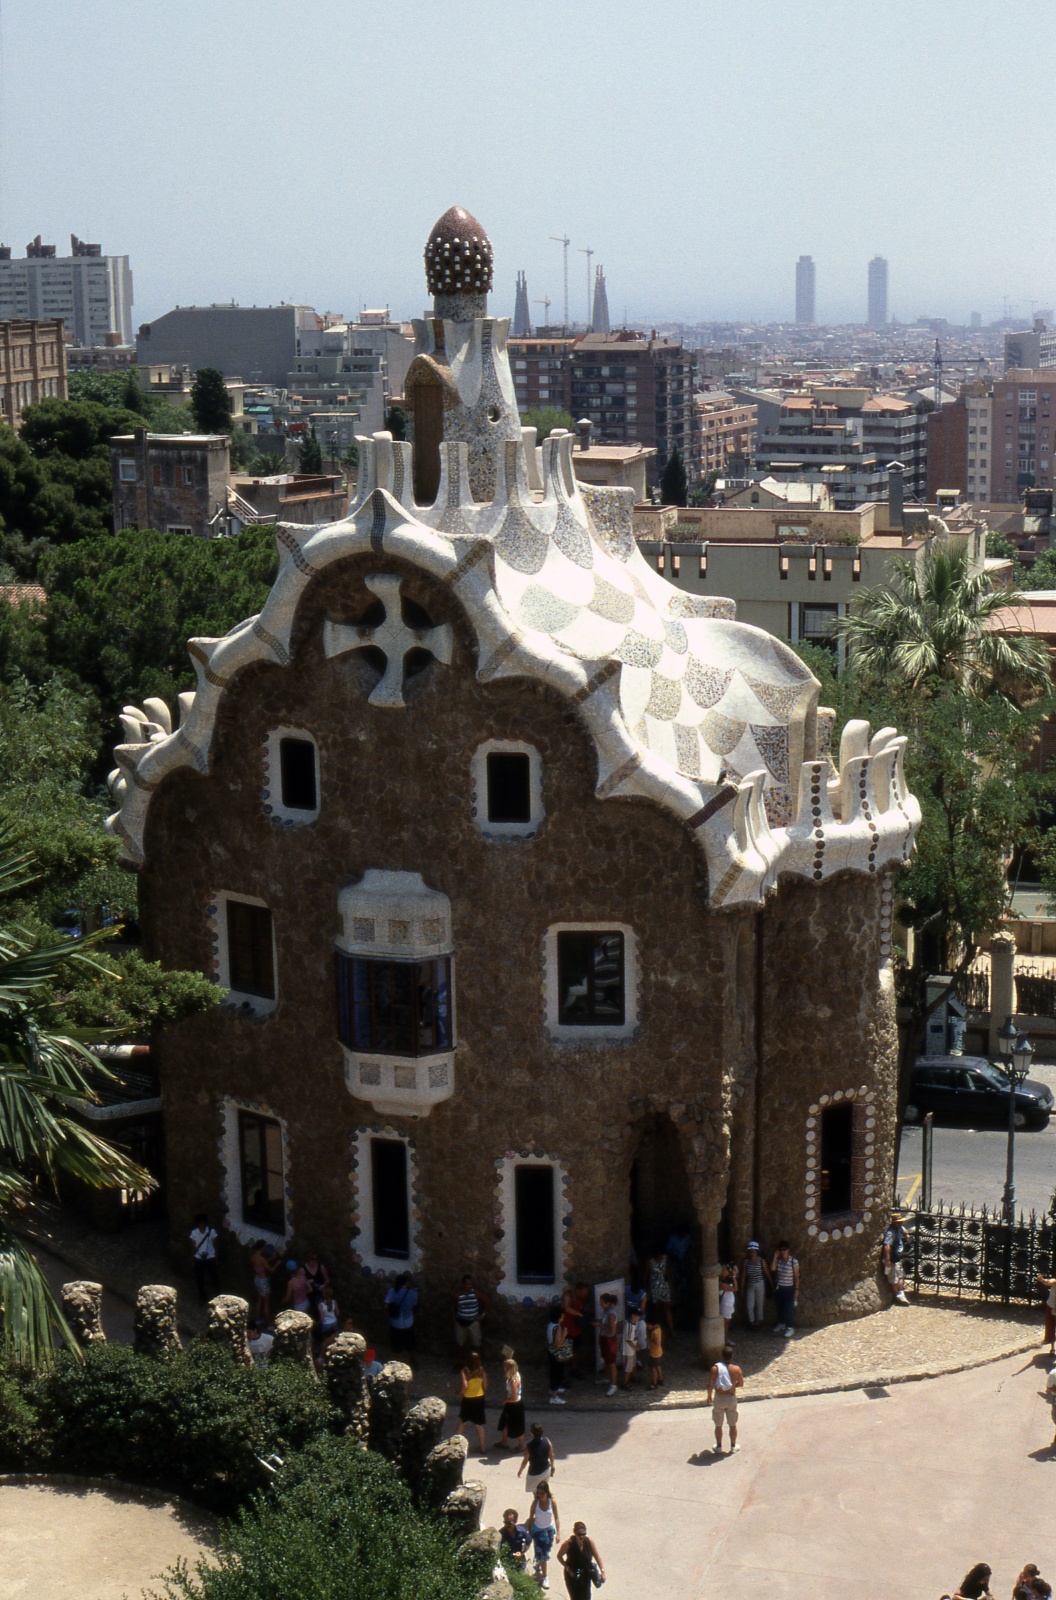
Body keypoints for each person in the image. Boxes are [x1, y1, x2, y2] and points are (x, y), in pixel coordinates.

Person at [706, 1342, 744, 1454]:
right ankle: (733, 1446)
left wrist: (709, 1396)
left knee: (718, 1424)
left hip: (719, 1397)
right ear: (732, 1356)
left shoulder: (715, 1369)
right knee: (732, 1424)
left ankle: (718, 1446)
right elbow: (741, 1383)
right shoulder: (736, 1369)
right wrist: (733, 1386)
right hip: (731, 1398)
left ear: (722, 1356)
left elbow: (711, 1384)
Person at [558, 1521, 606, 1600]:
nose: (582, 1537)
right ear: (574, 1533)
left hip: (586, 1573)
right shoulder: (568, 1544)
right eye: (579, 1535)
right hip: (572, 1574)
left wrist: (602, 1571)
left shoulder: (589, 1541)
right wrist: (567, 1568)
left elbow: (597, 1556)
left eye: (584, 1534)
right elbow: (559, 1556)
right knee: (575, 1597)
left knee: (586, 1597)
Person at [526, 1480, 560, 1590]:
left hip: (549, 1530)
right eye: (538, 1493)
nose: (540, 1496)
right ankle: (545, 1577)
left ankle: (539, 1562)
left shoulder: (552, 1502)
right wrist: (530, 1532)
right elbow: (531, 1517)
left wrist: (558, 1533)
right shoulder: (535, 1503)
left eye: (542, 1493)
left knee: (546, 1550)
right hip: (538, 1531)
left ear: (547, 1493)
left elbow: (556, 1517)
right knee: (544, 1554)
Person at [454, 1349, 488, 1456]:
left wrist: (459, 1393)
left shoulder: (465, 1371)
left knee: (463, 1421)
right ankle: (483, 1448)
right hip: (480, 1398)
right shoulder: (482, 1370)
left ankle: (454, 1445)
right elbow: (486, 1386)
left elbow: (464, 1386)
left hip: (468, 1399)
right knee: (479, 1424)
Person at [496, 1355, 526, 1450]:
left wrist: (505, 1400)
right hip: (512, 1404)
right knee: (505, 1422)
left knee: (517, 1425)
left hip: (515, 1405)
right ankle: (504, 1442)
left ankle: (521, 1445)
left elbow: (514, 1397)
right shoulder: (516, 1374)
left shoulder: (513, 1381)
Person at [385, 1272, 418, 1355]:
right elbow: (415, 1304)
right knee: (410, 1343)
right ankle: (412, 1359)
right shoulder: (413, 1293)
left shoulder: (392, 1291)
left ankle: (398, 1360)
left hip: (395, 1322)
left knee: (396, 1344)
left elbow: (386, 1305)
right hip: (408, 1322)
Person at [771, 1240, 800, 1338]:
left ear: (788, 1250)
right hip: (780, 1288)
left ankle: (790, 1327)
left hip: (789, 1289)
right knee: (779, 1308)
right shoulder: (778, 1261)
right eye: (781, 1249)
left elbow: (796, 1276)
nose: (783, 1251)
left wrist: (796, 1289)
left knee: (789, 1309)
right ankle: (781, 1323)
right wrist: (775, 1257)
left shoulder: (793, 1261)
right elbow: (773, 1269)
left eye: (785, 1249)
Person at [452, 1275, 488, 1351]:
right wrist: (454, 1318)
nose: (469, 1286)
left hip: (473, 1322)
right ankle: (462, 1361)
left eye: (470, 1284)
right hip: (460, 1322)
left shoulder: (475, 1293)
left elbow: (486, 1301)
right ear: (463, 1284)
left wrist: (483, 1315)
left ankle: (477, 1361)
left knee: (476, 1343)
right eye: (467, 1284)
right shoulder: (457, 1294)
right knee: (460, 1344)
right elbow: (452, 1306)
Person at [518, 1422, 555, 1494]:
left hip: (534, 1474)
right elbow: (551, 1455)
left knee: (537, 1494)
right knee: (544, 1490)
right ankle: (548, 1499)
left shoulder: (529, 1447)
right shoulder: (547, 1441)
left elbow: (525, 1460)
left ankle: (540, 1503)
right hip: (546, 1470)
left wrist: (520, 1470)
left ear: (532, 1433)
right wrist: (552, 1466)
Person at [882, 1211, 911, 1305]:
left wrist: (907, 1236)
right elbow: (887, 1245)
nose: (901, 1224)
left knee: (900, 1275)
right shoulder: (891, 1232)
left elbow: (904, 1230)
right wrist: (887, 1259)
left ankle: (900, 1292)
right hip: (892, 1258)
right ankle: (898, 1294)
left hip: (897, 1257)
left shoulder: (899, 1228)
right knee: (894, 1277)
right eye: (899, 1222)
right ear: (894, 1222)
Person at [189, 1213, 219, 1303]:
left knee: (214, 1277)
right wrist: (192, 1259)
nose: (202, 1225)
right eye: (200, 1223)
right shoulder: (194, 1233)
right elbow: (192, 1246)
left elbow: (215, 1244)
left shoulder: (211, 1232)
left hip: (210, 1257)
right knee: (200, 1279)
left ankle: (218, 1296)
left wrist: (216, 1257)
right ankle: (202, 1298)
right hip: (199, 1258)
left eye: (203, 1223)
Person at [560, 1283, 589, 1374]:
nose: (584, 1296)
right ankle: (562, 1373)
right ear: (578, 1290)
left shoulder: (581, 1298)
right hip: (566, 1328)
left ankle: (574, 1368)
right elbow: (566, 1308)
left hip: (576, 1328)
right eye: (583, 1293)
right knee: (565, 1349)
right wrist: (578, 1314)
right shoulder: (567, 1295)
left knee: (576, 1348)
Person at [546, 1302, 572, 1403]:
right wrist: (564, 1334)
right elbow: (558, 1344)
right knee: (557, 1373)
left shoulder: (550, 1325)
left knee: (553, 1372)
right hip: (556, 1353)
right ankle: (554, 1396)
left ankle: (554, 1389)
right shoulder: (558, 1328)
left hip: (551, 1352)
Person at [742, 1241, 771, 1330]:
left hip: (759, 1284)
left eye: (753, 1251)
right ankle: (751, 1322)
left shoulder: (761, 1261)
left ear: (757, 1251)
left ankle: (757, 1323)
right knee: (749, 1305)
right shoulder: (746, 1262)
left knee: (759, 1304)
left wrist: (771, 1284)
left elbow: (767, 1273)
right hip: (750, 1284)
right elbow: (744, 1275)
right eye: (750, 1251)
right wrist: (742, 1288)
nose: (752, 1253)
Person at [595, 1292, 619, 1397]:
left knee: (611, 1362)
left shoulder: (611, 1314)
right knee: (605, 1359)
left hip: (610, 1340)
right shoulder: (605, 1310)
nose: (600, 1305)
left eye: (601, 1303)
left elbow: (612, 1331)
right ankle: (606, 1378)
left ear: (607, 1303)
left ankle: (613, 1384)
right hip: (604, 1338)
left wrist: (601, 1326)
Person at [647, 1246, 674, 1335]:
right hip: (655, 1287)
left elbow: (667, 1272)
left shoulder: (664, 1259)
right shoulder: (650, 1261)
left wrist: (669, 1284)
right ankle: (657, 1329)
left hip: (663, 1287)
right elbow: (645, 1275)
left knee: (666, 1308)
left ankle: (671, 1329)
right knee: (656, 1309)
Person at [249, 1240, 277, 1323]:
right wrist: (277, 1263)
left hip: (257, 1279)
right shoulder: (262, 1259)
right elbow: (271, 1270)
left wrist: (270, 1258)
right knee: (266, 1303)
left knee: (259, 1300)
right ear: (261, 1248)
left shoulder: (253, 1257)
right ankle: (269, 1323)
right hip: (264, 1281)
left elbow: (261, 1265)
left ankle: (257, 1320)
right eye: (264, 1247)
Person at [620, 1304, 646, 1388]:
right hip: (628, 1351)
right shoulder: (629, 1326)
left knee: (633, 1365)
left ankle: (633, 1377)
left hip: (632, 1350)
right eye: (637, 1316)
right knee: (628, 1367)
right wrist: (636, 1348)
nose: (638, 1318)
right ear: (633, 1315)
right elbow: (628, 1340)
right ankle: (625, 1383)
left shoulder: (633, 1325)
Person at [499, 1507, 530, 1572]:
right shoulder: (500, 1534)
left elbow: (528, 1543)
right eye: (505, 1522)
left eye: (510, 1523)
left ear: (515, 1521)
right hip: (506, 1565)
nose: (507, 1525)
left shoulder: (522, 1532)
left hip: (520, 1563)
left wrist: (522, 1553)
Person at [1037, 1276, 1056, 1355]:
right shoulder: (1055, 1282)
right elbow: (1050, 1282)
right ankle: (1052, 1348)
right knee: (1050, 1327)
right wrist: (1043, 1280)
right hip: (1051, 1306)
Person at [719, 1262, 738, 1339]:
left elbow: (737, 1272)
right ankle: (724, 1339)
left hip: (729, 1304)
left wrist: (734, 1269)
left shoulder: (726, 1281)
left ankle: (726, 1338)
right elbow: (735, 1289)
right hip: (725, 1304)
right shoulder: (721, 1284)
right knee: (725, 1323)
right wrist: (733, 1276)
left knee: (727, 1323)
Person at [647, 1315, 664, 1388]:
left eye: (648, 1324)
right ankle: (660, 1379)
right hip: (659, 1351)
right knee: (658, 1365)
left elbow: (656, 1342)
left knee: (653, 1368)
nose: (647, 1326)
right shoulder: (658, 1328)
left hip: (654, 1353)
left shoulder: (654, 1333)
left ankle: (654, 1382)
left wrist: (650, 1340)